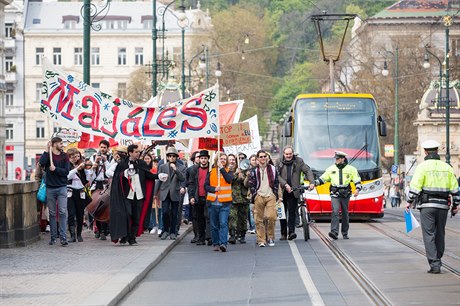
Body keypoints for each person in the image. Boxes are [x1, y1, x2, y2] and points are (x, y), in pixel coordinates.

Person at [406, 140, 459, 274]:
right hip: (442, 206)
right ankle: (438, 258)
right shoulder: (447, 167)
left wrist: (409, 201)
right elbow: (455, 189)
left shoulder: (422, 167)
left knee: (429, 234)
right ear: (437, 151)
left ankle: (435, 264)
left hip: (427, 206)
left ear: (425, 151)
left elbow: (415, 186)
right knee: (440, 233)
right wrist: (456, 205)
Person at [109, 144, 159, 245]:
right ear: (130, 152)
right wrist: (124, 174)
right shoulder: (122, 164)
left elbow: (148, 175)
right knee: (127, 215)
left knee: (137, 216)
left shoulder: (141, 163)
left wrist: (158, 176)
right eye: (136, 152)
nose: (138, 154)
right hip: (127, 195)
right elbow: (117, 178)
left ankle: (132, 237)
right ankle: (124, 236)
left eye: (139, 152)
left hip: (139, 194)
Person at [315, 151, 362, 240]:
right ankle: (334, 232)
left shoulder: (351, 169)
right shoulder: (330, 169)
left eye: (338, 158)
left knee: (345, 213)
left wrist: (357, 189)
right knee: (335, 212)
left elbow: (357, 180)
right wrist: (315, 183)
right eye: (336, 158)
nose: (336, 160)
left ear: (343, 159)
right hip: (335, 193)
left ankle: (345, 233)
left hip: (345, 194)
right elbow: (323, 179)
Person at [277, 146, 315, 241]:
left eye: (290, 154)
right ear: (283, 154)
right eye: (287, 154)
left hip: (294, 190)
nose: (288, 156)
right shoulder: (279, 161)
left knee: (292, 212)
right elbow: (276, 175)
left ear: (293, 153)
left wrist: (312, 182)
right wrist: (285, 184)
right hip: (282, 191)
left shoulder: (299, 161)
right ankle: (283, 233)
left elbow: (307, 171)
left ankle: (291, 232)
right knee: (282, 213)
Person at [39, 137, 70, 246]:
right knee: (52, 213)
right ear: (54, 144)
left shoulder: (64, 156)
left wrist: (55, 169)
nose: (62, 145)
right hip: (50, 188)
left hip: (61, 187)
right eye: (60, 143)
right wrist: (47, 150)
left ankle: (63, 237)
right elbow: (41, 163)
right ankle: (53, 237)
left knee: (62, 212)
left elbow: (66, 171)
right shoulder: (48, 156)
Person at [247, 150, 279, 247]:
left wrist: (275, 194)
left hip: (270, 196)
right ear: (257, 159)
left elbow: (276, 182)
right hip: (259, 196)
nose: (263, 158)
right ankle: (261, 239)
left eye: (264, 156)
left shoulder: (273, 169)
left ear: (267, 158)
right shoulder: (254, 171)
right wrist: (255, 194)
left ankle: (270, 237)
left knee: (271, 217)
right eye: (260, 157)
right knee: (258, 219)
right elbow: (251, 184)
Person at [155, 146, 186, 240]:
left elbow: (182, 178)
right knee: (164, 212)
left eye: (173, 156)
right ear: (167, 157)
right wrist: (154, 193)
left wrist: (176, 169)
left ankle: (173, 231)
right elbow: (159, 180)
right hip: (165, 192)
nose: (172, 158)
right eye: (170, 156)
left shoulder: (181, 167)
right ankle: (165, 230)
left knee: (174, 213)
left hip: (175, 193)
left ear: (176, 157)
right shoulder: (162, 167)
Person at [205, 152, 233, 252]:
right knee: (214, 225)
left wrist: (222, 169)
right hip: (213, 203)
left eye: (225, 159)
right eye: (221, 159)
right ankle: (216, 243)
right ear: (217, 160)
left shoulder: (229, 171)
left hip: (225, 203)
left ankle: (223, 244)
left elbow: (229, 179)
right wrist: (214, 189)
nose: (223, 161)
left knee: (223, 223)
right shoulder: (211, 171)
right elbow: (206, 186)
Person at [66, 148, 93, 242]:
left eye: (77, 156)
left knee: (80, 213)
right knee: (71, 213)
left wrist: (85, 168)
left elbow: (88, 178)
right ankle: (72, 235)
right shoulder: (67, 165)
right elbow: (68, 176)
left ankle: (79, 234)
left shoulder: (81, 166)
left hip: (80, 191)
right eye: (73, 157)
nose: (76, 159)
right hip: (70, 191)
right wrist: (76, 168)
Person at [90, 140, 113, 240]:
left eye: (105, 147)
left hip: (106, 184)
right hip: (96, 184)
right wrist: (95, 163)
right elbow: (90, 172)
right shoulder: (93, 156)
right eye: (101, 147)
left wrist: (106, 161)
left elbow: (110, 171)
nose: (103, 149)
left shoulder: (111, 158)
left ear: (107, 148)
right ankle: (97, 229)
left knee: (105, 208)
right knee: (95, 207)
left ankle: (104, 230)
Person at [188, 150, 212, 245]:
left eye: (205, 158)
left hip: (209, 197)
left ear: (208, 159)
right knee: (199, 218)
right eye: (201, 158)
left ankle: (209, 237)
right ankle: (201, 238)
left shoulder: (211, 169)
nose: (203, 160)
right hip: (198, 197)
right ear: (199, 159)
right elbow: (191, 184)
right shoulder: (194, 170)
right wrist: (191, 196)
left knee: (209, 217)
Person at [229, 155, 250, 244]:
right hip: (232, 198)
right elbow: (229, 180)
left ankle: (242, 235)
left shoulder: (246, 170)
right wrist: (236, 174)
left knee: (243, 217)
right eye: (230, 160)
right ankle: (232, 235)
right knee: (232, 217)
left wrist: (246, 177)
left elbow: (247, 185)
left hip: (243, 198)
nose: (232, 161)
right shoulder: (229, 171)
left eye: (242, 158)